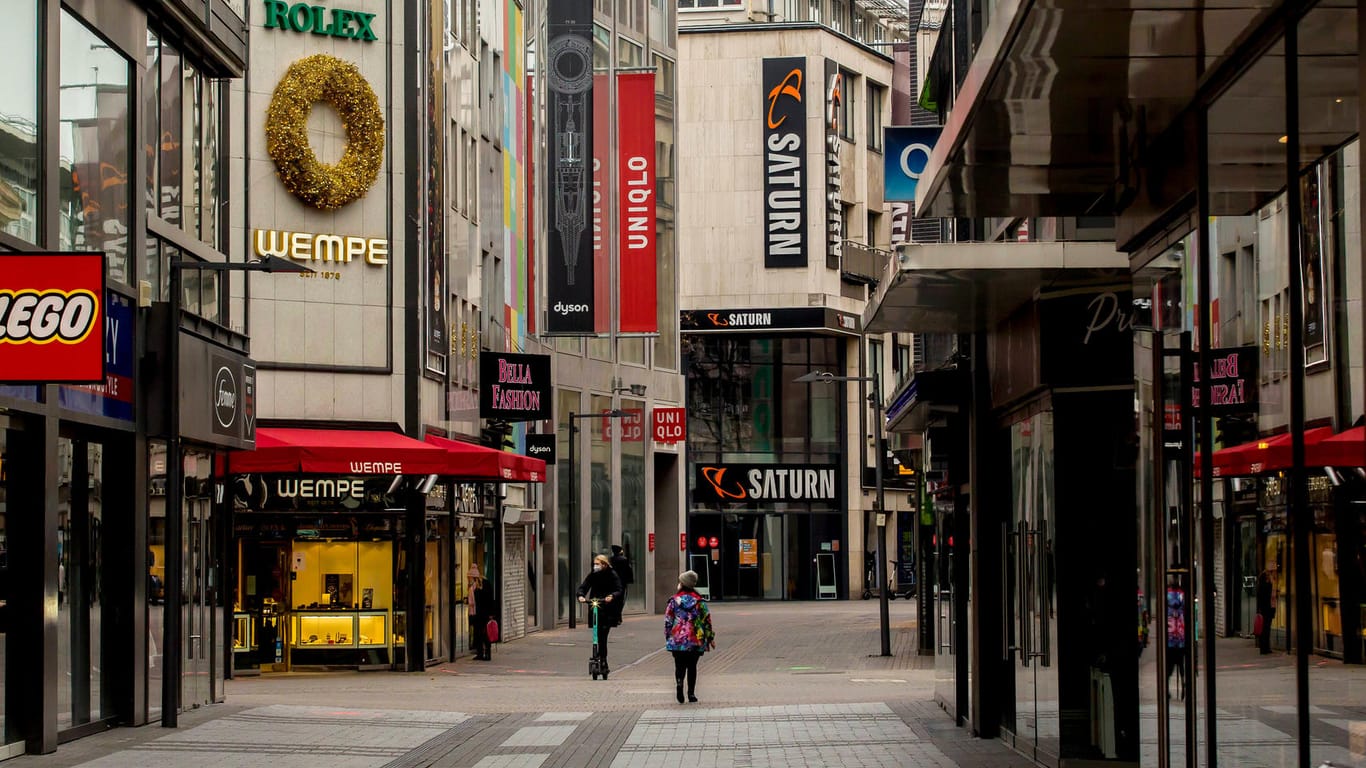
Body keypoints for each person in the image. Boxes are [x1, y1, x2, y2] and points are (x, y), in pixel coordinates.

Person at [665, 570, 715, 704]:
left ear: (683, 584)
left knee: (679, 666)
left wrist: (668, 635)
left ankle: (679, 685)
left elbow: (668, 620)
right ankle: (691, 693)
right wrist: (710, 638)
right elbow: (706, 620)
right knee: (692, 666)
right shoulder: (700, 601)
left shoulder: (674, 601)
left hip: (678, 639)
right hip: (695, 639)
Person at [577, 554, 623, 672]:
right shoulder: (594, 574)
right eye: (594, 564)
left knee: (603, 635)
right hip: (595, 605)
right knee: (597, 634)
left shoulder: (612, 574)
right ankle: (597, 655)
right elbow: (585, 585)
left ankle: (603, 659)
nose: (595, 566)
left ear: (604, 564)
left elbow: (618, 589)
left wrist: (611, 596)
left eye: (597, 564)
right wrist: (581, 595)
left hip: (608, 608)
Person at [1166, 580, 1186, 699]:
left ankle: (1166, 688)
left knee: (1169, 665)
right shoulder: (1182, 595)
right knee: (1181, 663)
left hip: (1169, 637)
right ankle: (1183, 680)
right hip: (1181, 635)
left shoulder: (1166, 596)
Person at [468, 569, 494, 661]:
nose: (468, 578)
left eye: (469, 577)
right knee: (478, 634)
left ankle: (487, 653)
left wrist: (491, 613)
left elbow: (490, 599)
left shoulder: (484, 585)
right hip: (478, 614)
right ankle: (480, 653)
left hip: (483, 614)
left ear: (473, 577)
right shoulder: (473, 587)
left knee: (484, 634)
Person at [1256, 568, 1276, 655]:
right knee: (1266, 629)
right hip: (1267, 610)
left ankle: (1264, 647)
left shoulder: (1261, 586)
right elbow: (1270, 597)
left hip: (1264, 610)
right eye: (1270, 575)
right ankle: (1265, 648)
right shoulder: (1267, 586)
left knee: (1264, 629)